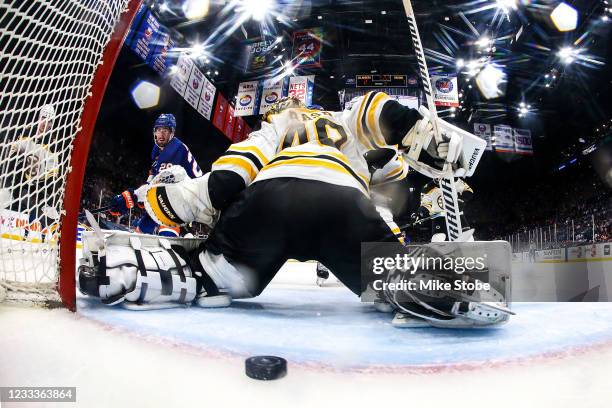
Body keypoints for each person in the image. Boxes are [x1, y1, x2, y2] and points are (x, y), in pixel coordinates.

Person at [79, 94, 507, 327]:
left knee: (222, 275)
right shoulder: (347, 119)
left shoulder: (276, 130)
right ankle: (431, 284)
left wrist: (162, 202)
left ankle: (135, 269)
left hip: (270, 200)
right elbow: (380, 115)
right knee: (385, 272)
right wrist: (424, 140)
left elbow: (226, 180)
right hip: (340, 202)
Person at [108, 113, 203, 237]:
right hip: (179, 193)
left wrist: (133, 196)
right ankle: (141, 237)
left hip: (193, 197)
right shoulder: (157, 150)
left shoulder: (175, 150)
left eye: (165, 130)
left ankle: (172, 240)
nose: (161, 134)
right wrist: (144, 195)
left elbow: (163, 186)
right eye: (158, 130)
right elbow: (153, 178)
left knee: (164, 205)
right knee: (149, 218)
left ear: (172, 133)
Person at [0, 104, 61, 241]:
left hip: (39, 186)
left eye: (50, 120)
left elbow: (54, 174)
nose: (46, 123)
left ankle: (44, 226)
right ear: (39, 118)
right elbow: (11, 153)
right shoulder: (26, 132)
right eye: (44, 118)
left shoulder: (53, 144)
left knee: (37, 208)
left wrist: (50, 198)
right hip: (22, 180)